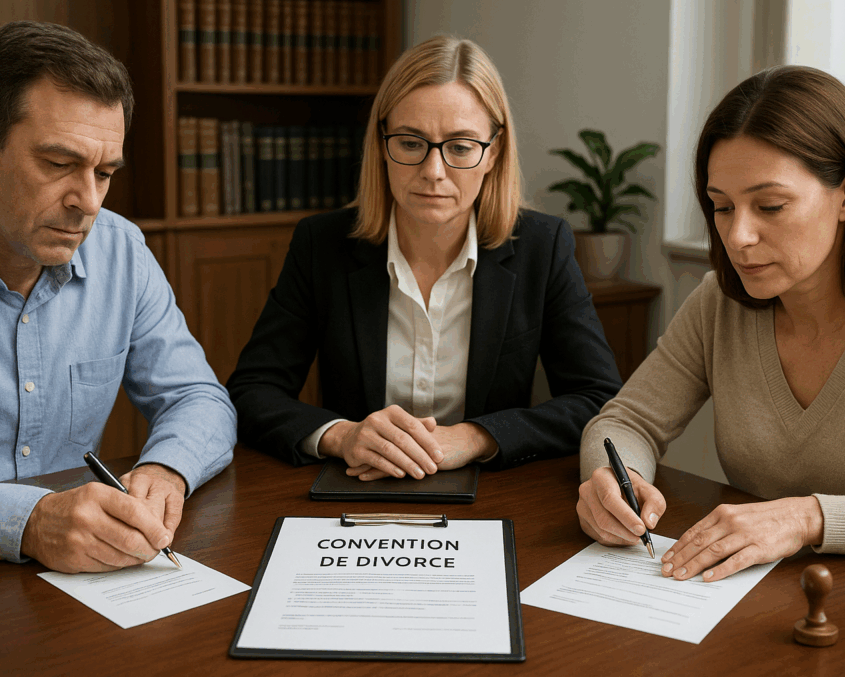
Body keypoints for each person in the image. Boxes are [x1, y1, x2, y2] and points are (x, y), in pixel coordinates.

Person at [578, 65, 845, 582]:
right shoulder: (719, 304)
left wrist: (807, 517)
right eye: (721, 207)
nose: (738, 236)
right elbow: (625, 422)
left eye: (770, 205)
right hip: (750, 595)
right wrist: (616, 479)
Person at [0, 22, 236, 573]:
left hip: (82, 580)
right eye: (59, 164)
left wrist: (166, 469)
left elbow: (198, 398)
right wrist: (30, 520)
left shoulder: (120, 250)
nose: (88, 203)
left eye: (105, 172)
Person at [228, 36, 621, 480]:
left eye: (460, 146)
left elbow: (597, 398)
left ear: (492, 152)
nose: (433, 171)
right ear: (381, 143)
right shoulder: (322, 244)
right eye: (411, 143)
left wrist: (476, 437)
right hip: (352, 490)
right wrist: (343, 435)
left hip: (493, 496)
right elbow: (251, 391)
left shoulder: (541, 247)